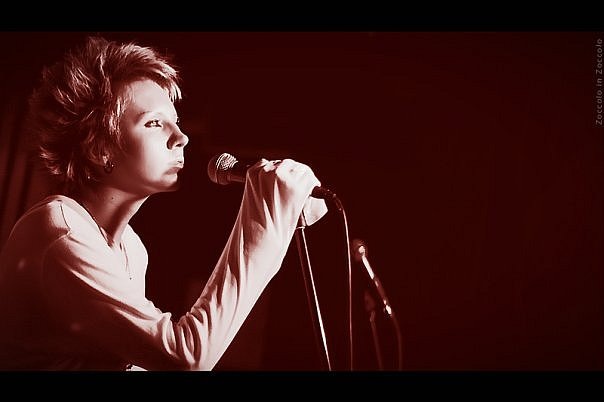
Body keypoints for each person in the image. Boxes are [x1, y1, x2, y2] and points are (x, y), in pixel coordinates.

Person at [0, 35, 327, 370]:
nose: (181, 138)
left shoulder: (130, 248)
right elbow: (186, 357)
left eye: (177, 122)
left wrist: (283, 217)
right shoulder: (61, 231)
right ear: (100, 149)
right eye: (154, 123)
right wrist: (266, 219)